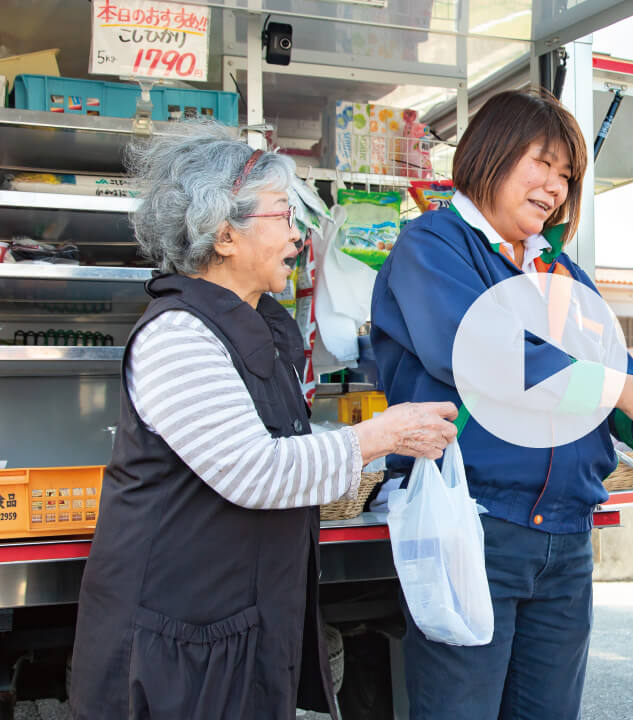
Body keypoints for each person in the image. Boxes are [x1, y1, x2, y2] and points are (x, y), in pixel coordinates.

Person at [69, 122, 459, 720]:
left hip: (230, 631)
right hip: (172, 645)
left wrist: (383, 449)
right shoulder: (179, 333)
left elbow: (283, 445)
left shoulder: (260, 324)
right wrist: (382, 433)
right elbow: (255, 470)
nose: (298, 235)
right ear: (225, 234)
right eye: (282, 214)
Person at [370, 88, 633, 719]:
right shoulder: (433, 246)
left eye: (566, 175)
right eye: (542, 163)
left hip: (566, 534)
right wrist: (623, 391)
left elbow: (615, 382)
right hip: (474, 522)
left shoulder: (565, 276)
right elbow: (482, 355)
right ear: (489, 153)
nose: (555, 187)